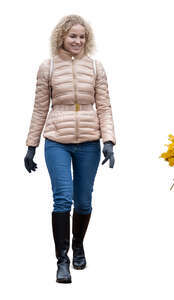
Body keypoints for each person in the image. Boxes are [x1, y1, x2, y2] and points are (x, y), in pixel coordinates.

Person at [24, 15, 116, 284]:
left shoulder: (96, 68)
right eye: (73, 36)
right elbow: (40, 107)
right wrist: (32, 145)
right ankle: (62, 260)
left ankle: (78, 246)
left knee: (84, 201)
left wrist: (108, 140)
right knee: (63, 198)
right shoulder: (48, 67)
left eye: (82, 36)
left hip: (88, 141)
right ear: (61, 37)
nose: (78, 41)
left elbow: (105, 106)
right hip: (57, 141)